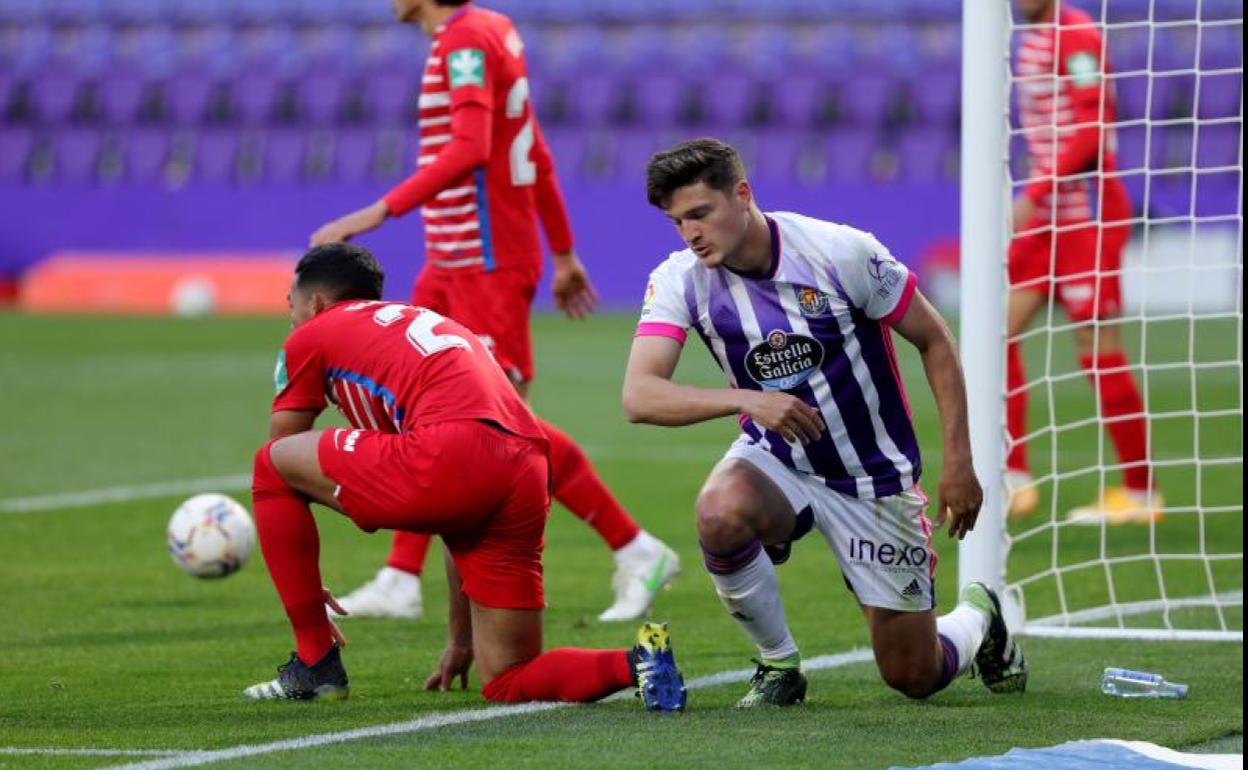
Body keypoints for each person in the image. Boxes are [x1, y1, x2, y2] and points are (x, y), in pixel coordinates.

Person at [307, 0, 679, 623]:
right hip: (452, 260)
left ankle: (636, 548)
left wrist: (379, 211)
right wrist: (562, 252)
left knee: (499, 426)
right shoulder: (490, 31)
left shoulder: (468, 40)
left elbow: (474, 146)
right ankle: (401, 575)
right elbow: (532, 151)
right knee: (413, 406)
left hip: (486, 258)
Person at [622, 138, 1028, 707]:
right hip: (778, 458)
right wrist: (748, 400)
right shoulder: (680, 279)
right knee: (718, 512)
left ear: (742, 195)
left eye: (699, 214)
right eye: (677, 221)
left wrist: (960, 460)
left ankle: (980, 612)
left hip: (871, 477)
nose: (690, 233)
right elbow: (640, 396)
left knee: (914, 674)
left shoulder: (839, 252)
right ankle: (778, 664)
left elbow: (934, 340)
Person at [243, 243, 686, 709]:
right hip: (527, 463)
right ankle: (640, 662)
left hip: (451, 452)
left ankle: (315, 664)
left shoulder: (311, 334)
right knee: (509, 678)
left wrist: (305, 593)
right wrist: (462, 640)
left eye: (290, 301)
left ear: (315, 302)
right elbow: (457, 512)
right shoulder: (416, 321)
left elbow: (284, 452)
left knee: (268, 466)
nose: (287, 312)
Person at [1008, 0, 1159, 524]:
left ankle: (1141, 494)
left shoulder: (1076, 35)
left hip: (1086, 216)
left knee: (1097, 350)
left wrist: (1037, 188)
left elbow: (1094, 129)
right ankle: (1014, 476)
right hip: (1045, 222)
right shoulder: (1028, 36)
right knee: (993, 334)